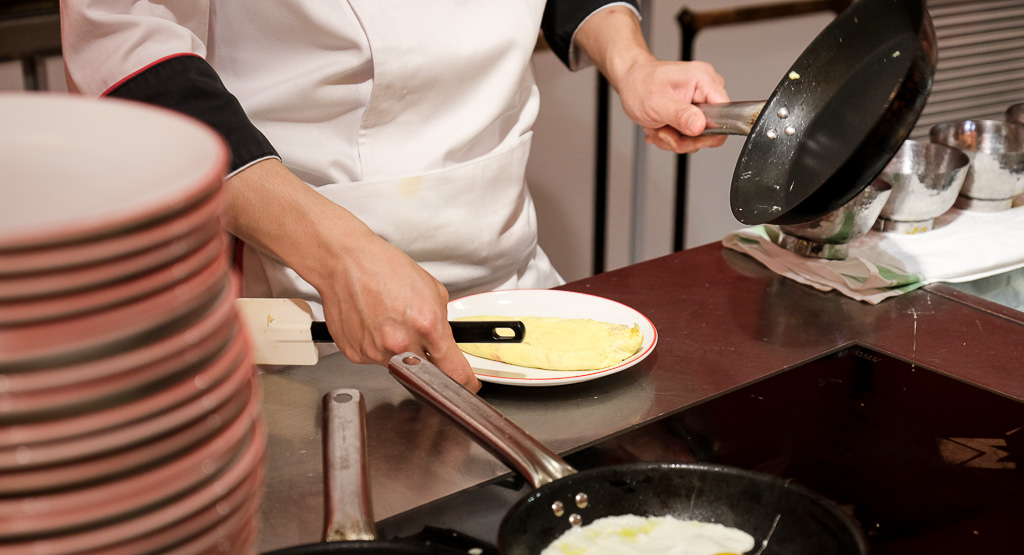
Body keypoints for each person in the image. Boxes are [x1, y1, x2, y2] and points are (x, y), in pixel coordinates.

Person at [60, 1, 728, 392]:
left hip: (507, 270)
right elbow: (126, 37)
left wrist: (633, 59)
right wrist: (340, 255)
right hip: (292, 294)